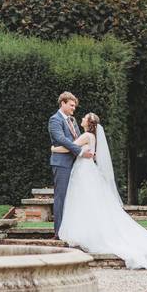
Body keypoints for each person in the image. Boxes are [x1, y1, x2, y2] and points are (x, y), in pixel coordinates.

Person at [55, 112, 147, 269]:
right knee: (88, 201)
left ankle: (85, 233)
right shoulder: (92, 137)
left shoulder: (86, 136)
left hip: (83, 171)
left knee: (82, 201)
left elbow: (69, 148)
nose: (82, 119)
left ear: (89, 123)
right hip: (87, 169)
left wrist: (53, 148)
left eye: (85, 118)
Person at [48, 92, 94, 238]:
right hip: (61, 163)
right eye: (71, 105)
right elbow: (60, 138)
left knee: (73, 198)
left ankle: (71, 231)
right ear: (63, 103)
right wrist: (80, 151)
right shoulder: (55, 120)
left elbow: (79, 139)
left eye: (75, 105)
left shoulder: (73, 120)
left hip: (76, 164)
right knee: (61, 197)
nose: (74, 108)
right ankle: (59, 233)